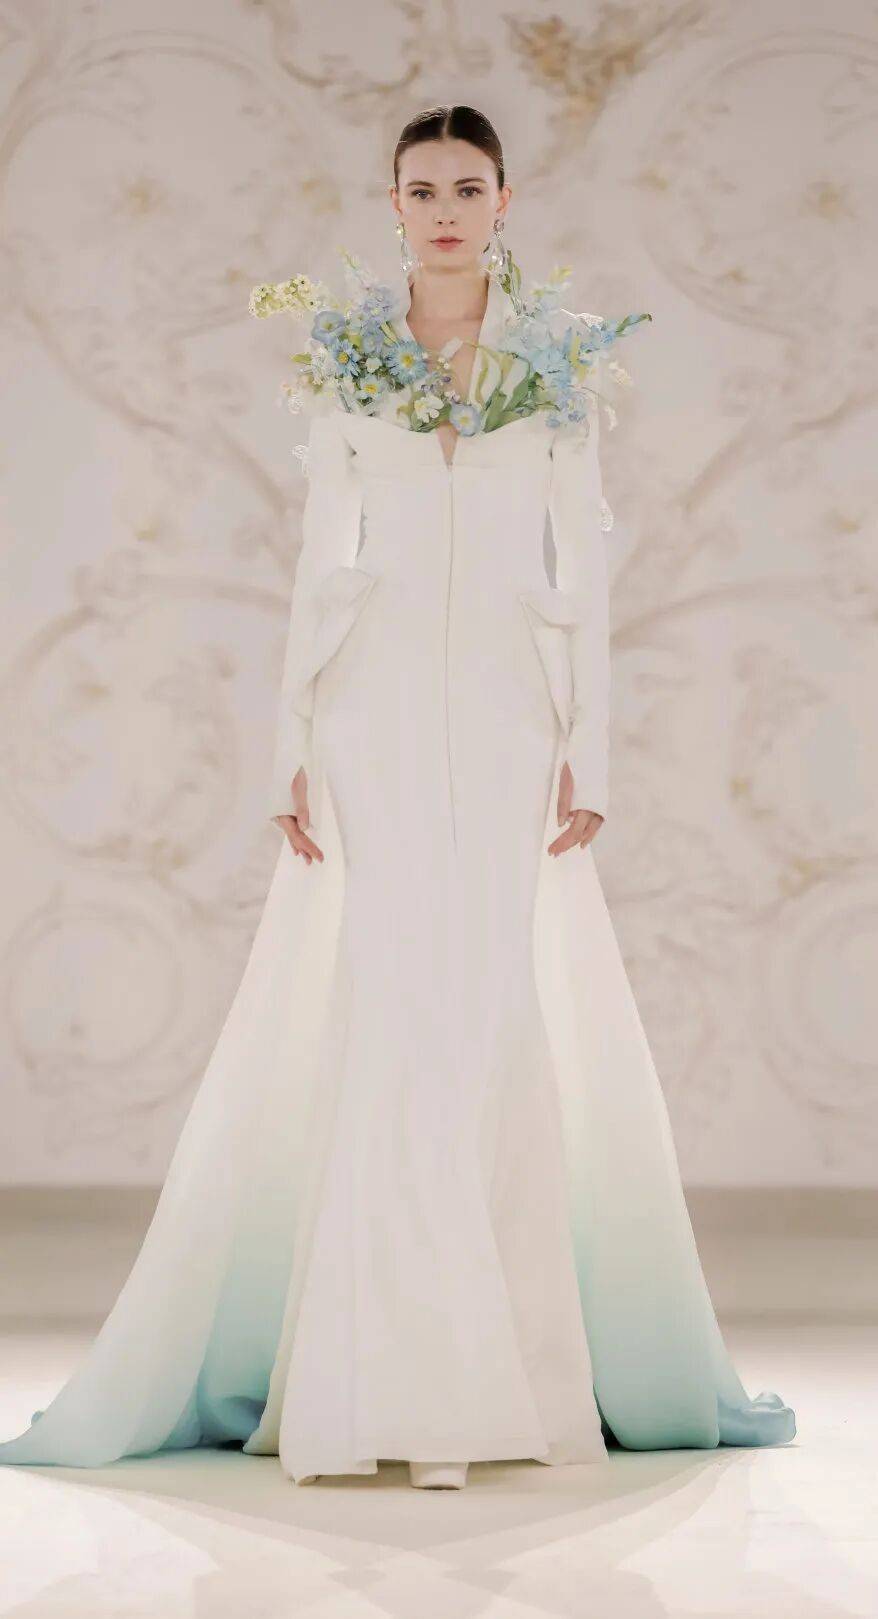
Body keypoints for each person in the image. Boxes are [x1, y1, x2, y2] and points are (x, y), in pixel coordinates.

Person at [0, 104, 795, 1492]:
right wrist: (292, 740)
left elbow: (582, 557)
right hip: (368, 708)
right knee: (388, 1005)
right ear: (392, 206)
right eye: (421, 190)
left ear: (505, 202)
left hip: (507, 710)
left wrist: (589, 746)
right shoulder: (346, 356)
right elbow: (324, 555)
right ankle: (383, 1386)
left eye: (466, 189)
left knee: (485, 1004)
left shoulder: (559, 359)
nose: (443, 211)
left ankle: (499, 1381)